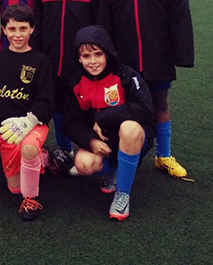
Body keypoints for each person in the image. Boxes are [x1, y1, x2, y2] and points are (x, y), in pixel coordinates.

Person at [105, 0, 194, 180]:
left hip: (158, 57)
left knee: (160, 104)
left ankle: (163, 155)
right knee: (122, 109)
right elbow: (106, 26)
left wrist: (182, 55)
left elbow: (180, 17)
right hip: (125, 62)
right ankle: (117, 160)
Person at [34, 0, 109, 171]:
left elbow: (100, 25)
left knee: (83, 105)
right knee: (57, 104)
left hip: (81, 61)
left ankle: (89, 150)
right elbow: (38, 22)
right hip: (51, 58)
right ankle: (64, 150)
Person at [62, 26, 154, 221]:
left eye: (98, 54)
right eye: (86, 56)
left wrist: (104, 118)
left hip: (133, 138)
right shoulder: (77, 83)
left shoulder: (125, 75)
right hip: (102, 143)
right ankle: (114, 171)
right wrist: (90, 141)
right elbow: (71, 122)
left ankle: (122, 194)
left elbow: (144, 108)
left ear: (107, 53)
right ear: (79, 58)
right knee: (82, 164)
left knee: (128, 128)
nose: (93, 61)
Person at [0, 4, 54, 220]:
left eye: (23, 28)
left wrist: (29, 120)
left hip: (33, 125)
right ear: (4, 30)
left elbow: (47, 102)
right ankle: (44, 158)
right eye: (12, 29)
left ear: (32, 29)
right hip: (7, 131)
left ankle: (31, 199)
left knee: (28, 150)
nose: (17, 35)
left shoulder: (41, 62)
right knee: (14, 188)